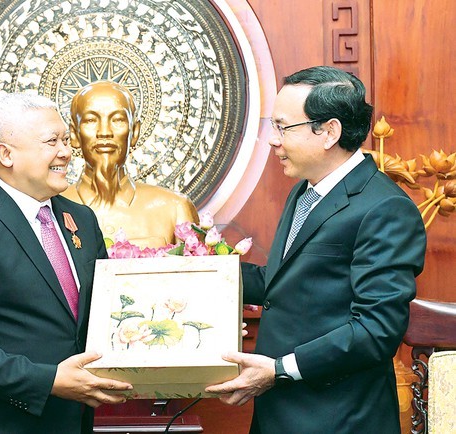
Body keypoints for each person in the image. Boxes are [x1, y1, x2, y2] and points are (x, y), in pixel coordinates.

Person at [206, 66, 427, 433]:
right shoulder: (307, 190)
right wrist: (200, 273)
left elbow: (377, 329)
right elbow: (281, 282)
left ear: (328, 132)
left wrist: (279, 370)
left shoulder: (385, 208)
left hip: (339, 418)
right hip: (280, 414)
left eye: (282, 127)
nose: (273, 141)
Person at [0, 93, 133, 434]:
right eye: (51, 142)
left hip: (75, 422)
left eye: (66, 140)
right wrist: (49, 380)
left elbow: (108, 311)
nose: (66, 152)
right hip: (3, 424)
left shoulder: (81, 219)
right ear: (6, 154)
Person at [62, 81, 199, 248]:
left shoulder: (174, 208)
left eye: (117, 119)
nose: (104, 132)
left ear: (134, 132)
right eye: (91, 120)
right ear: (75, 134)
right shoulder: (50, 209)